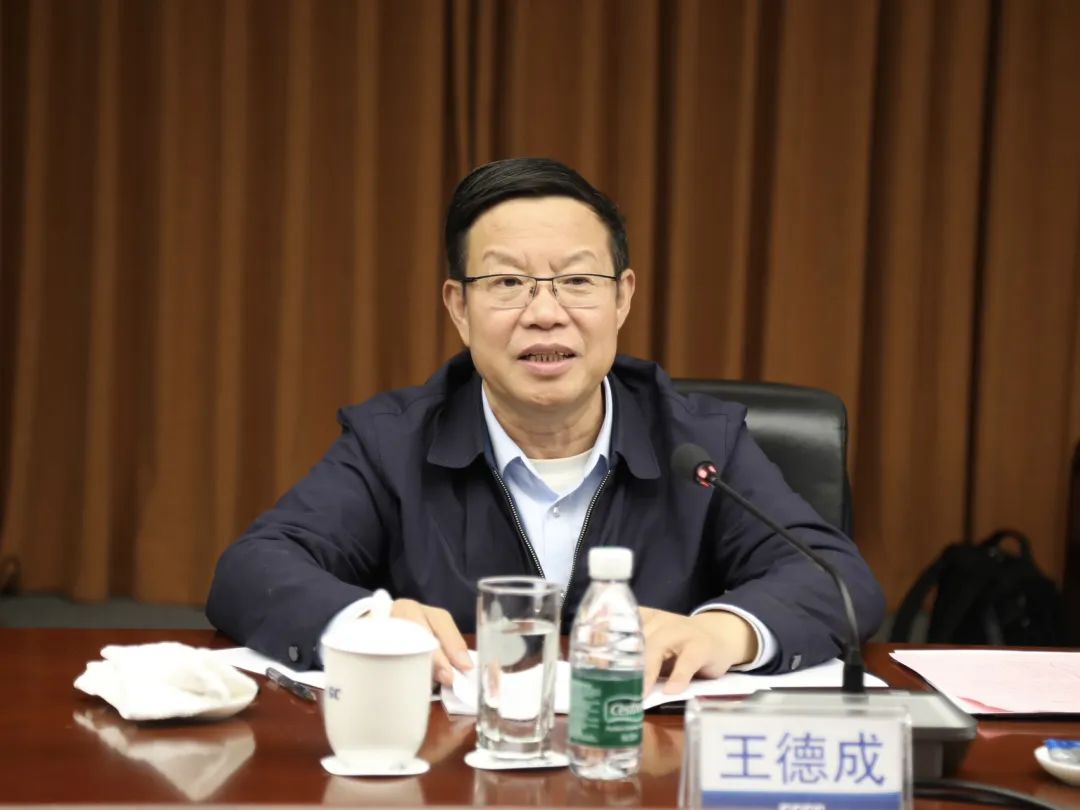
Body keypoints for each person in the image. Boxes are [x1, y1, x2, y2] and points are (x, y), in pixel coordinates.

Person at [206, 157, 885, 695]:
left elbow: (835, 579)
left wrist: (722, 633)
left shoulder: (699, 442)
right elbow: (252, 570)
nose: (545, 313)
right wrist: (372, 623)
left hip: (647, 766)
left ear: (622, 298)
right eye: (507, 283)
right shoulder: (393, 442)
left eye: (577, 282)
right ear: (459, 308)